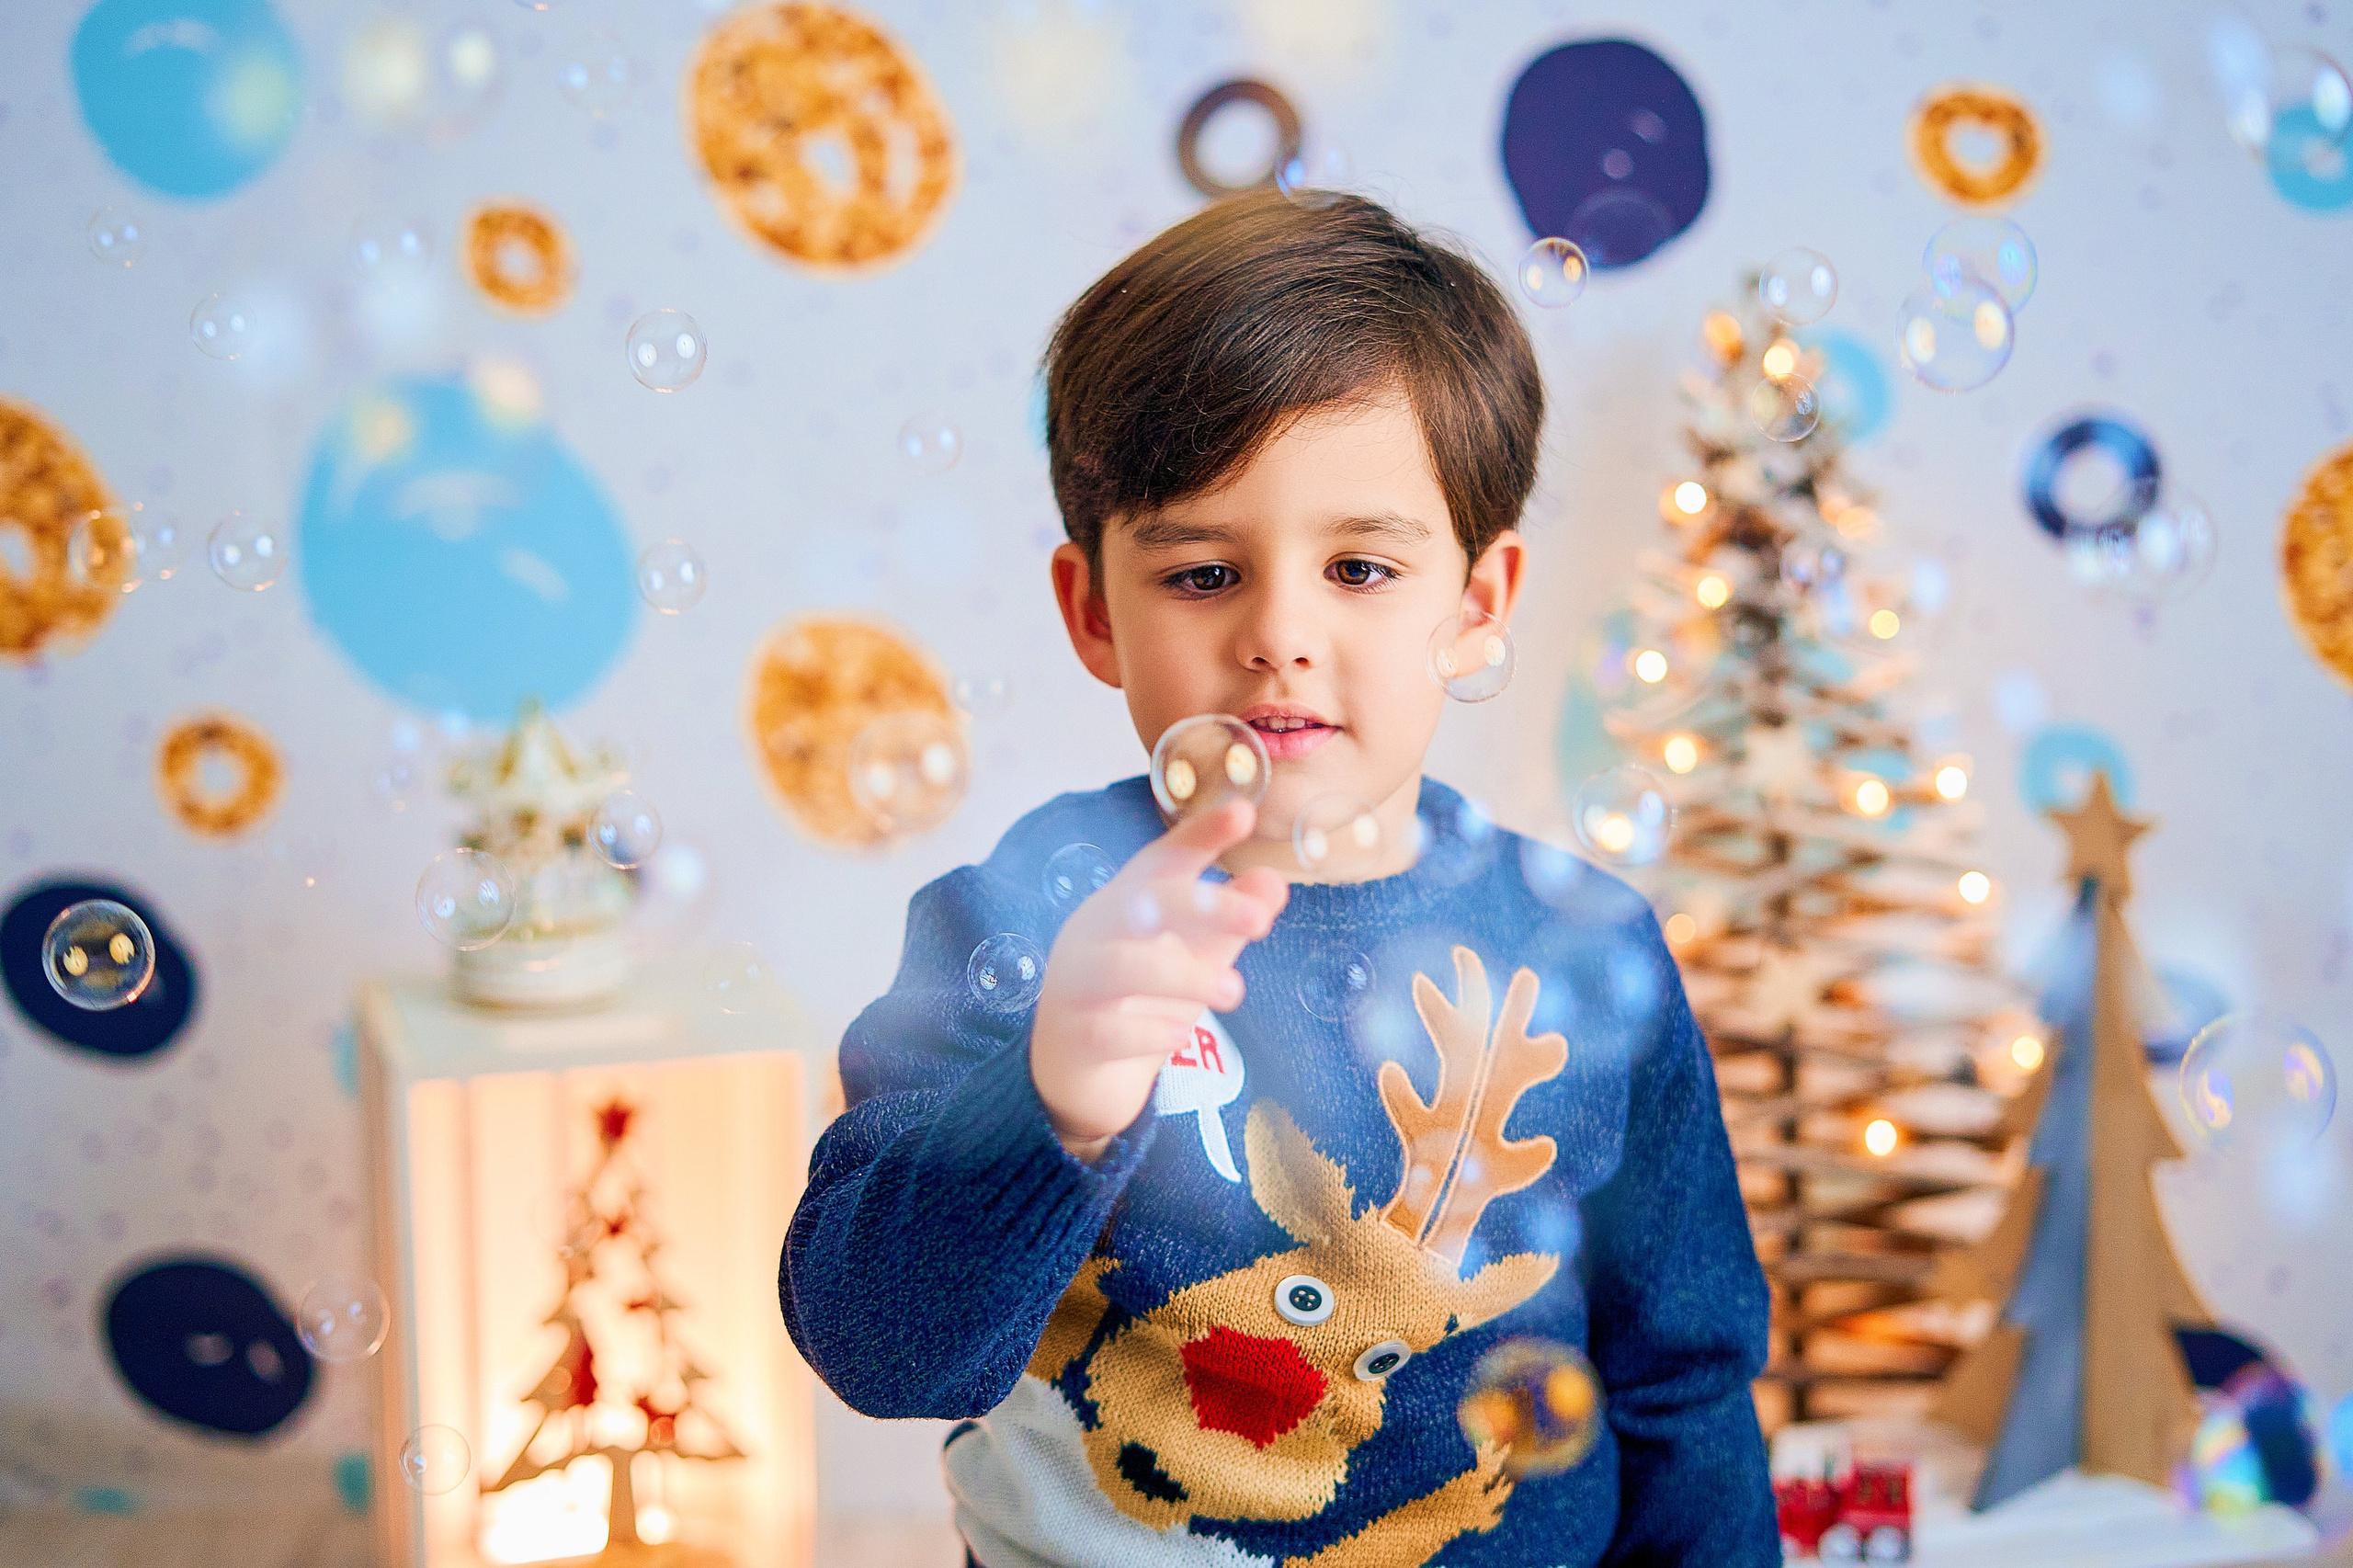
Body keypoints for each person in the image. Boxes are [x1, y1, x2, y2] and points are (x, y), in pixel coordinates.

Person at [782, 189, 1776, 1567]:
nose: (1279, 636)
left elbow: (1681, 1385)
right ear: (1092, 612)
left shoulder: (1583, 951)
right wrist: (1052, 1101)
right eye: (1201, 573)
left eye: (1360, 566)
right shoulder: (1014, 918)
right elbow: (883, 1351)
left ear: (1478, 604)